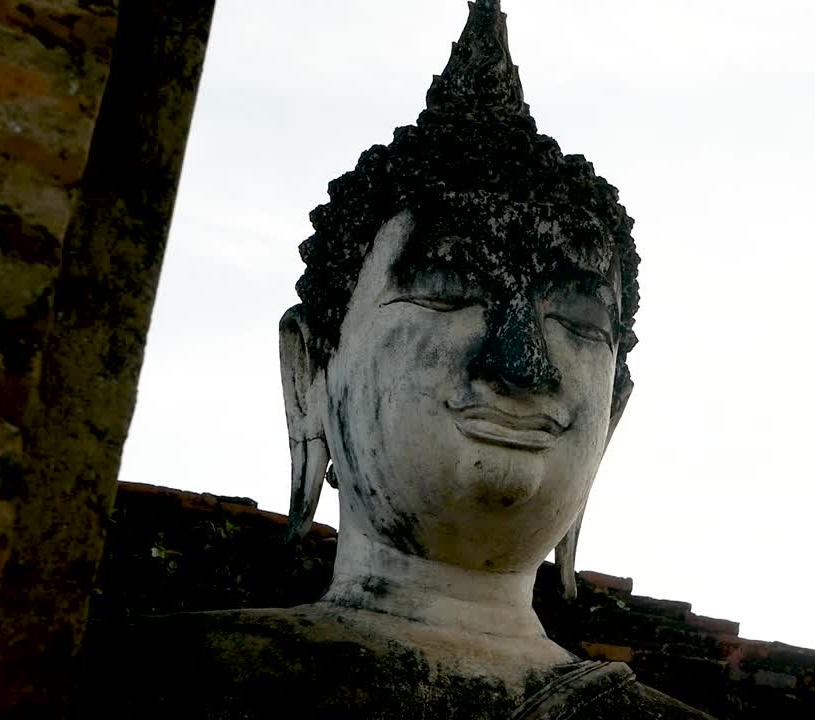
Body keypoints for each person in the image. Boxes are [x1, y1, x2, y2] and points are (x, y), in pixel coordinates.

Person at [74, 2, 715, 718]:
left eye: (576, 322)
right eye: (446, 294)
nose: (519, 364)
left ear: (613, 413)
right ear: (310, 374)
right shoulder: (155, 680)